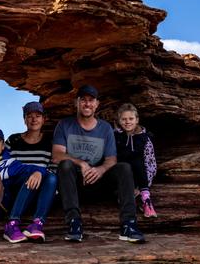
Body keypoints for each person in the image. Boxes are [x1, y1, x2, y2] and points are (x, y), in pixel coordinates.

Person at [52, 84, 146, 243]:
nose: (87, 104)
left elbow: (111, 160)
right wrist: (81, 163)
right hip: (75, 185)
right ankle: (74, 223)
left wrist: (100, 170)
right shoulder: (64, 125)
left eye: (91, 100)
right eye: (83, 100)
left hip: (98, 183)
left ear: (97, 104)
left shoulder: (105, 128)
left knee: (124, 168)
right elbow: (57, 155)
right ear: (77, 102)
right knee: (65, 165)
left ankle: (128, 224)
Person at [0, 101, 57, 243]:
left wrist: (40, 172)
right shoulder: (13, 140)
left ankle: (37, 224)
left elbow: (54, 167)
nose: (34, 119)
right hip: (15, 187)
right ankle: (12, 223)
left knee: (52, 178)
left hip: (40, 187)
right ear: (24, 119)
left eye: (38, 115)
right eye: (29, 116)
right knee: (30, 175)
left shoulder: (49, 142)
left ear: (43, 119)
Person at [114, 103, 158, 217]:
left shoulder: (144, 138)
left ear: (137, 120)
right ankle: (123, 194)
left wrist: (141, 186)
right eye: (124, 119)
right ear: (119, 121)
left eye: (131, 118)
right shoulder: (115, 137)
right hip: (121, 178)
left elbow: (150, 164)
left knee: (138, 159)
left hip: (139, 179)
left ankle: (146, 200)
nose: (127, 122)